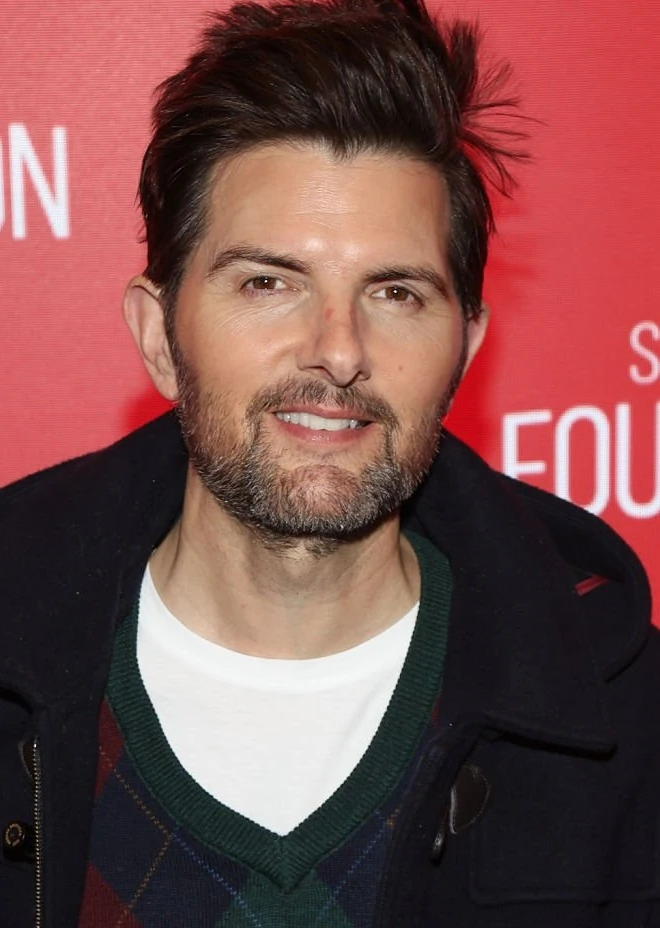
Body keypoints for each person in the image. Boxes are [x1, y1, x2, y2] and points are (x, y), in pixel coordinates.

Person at [1, 0, 659, 925]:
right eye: (269, 283)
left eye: (396, 293)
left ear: (465, 347)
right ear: (158, 336)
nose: (339, 351)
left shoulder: (627, 720)